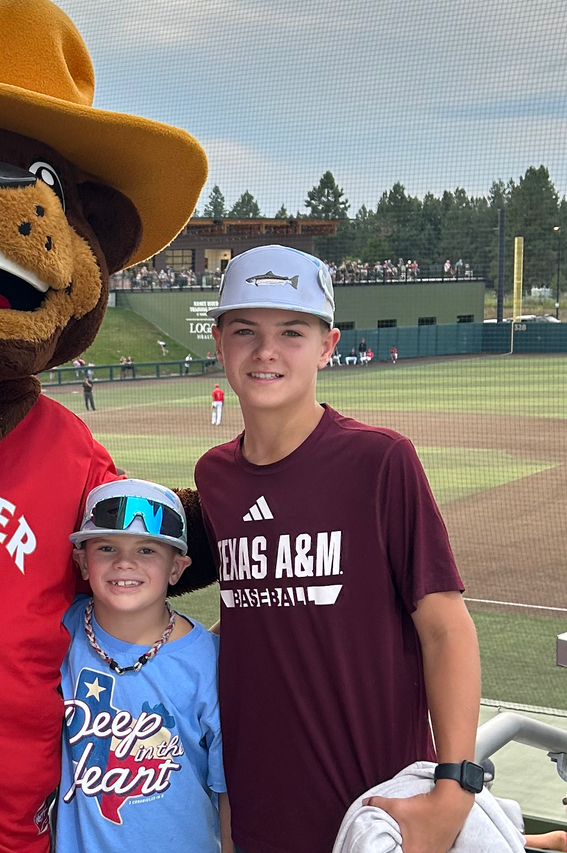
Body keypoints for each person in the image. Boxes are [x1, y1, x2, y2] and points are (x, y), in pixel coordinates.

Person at [197, 245, 480, 853]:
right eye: (245, 331)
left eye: (291, 332)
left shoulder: (379, 460)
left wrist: (455, 787)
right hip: (258, 806)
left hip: (375, 812)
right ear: (219, 344)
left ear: (327, 346)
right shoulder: (214, 476)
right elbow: (261, 607)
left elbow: (445, 628)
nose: (266, 350)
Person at [56, 479, 228, 853]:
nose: (125, 563)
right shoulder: (59, 633)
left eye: (147, 550)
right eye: (106, 547)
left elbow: (228, 792)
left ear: (176, 569)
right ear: (82, 562)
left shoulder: (209, 662)